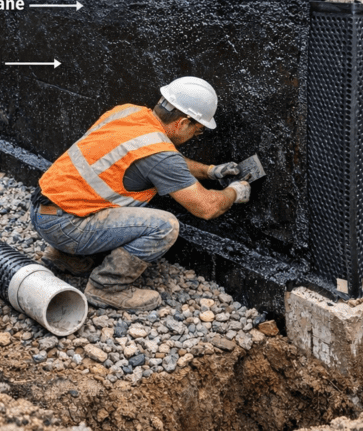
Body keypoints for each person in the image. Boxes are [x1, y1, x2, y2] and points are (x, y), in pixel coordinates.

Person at [30, 77, 251, 311]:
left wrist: (210, 171)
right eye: (198, 131)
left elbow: (163, 159)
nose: (196, 134)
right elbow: (207, 207)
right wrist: (234, 192)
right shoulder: (160, 156)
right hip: (66, 227)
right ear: (183, 123)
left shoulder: (128, 113)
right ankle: (106, 288)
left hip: (42, 210)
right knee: (165, 226)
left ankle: (66, 257)